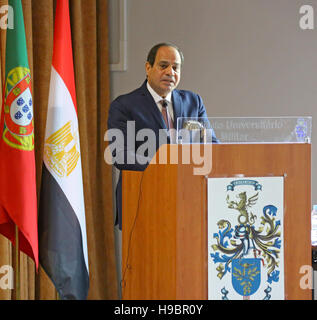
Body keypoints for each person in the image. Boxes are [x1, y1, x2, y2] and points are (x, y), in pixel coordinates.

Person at [107, 42, 218, 231]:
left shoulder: (194, 101)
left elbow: (211, 145)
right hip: (143, 200)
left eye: (175, 68)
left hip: (188, 199)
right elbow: (120, 154)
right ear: (148, 68)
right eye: (163, 65)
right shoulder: (124, 105)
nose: (170, 72)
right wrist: (166, 165)